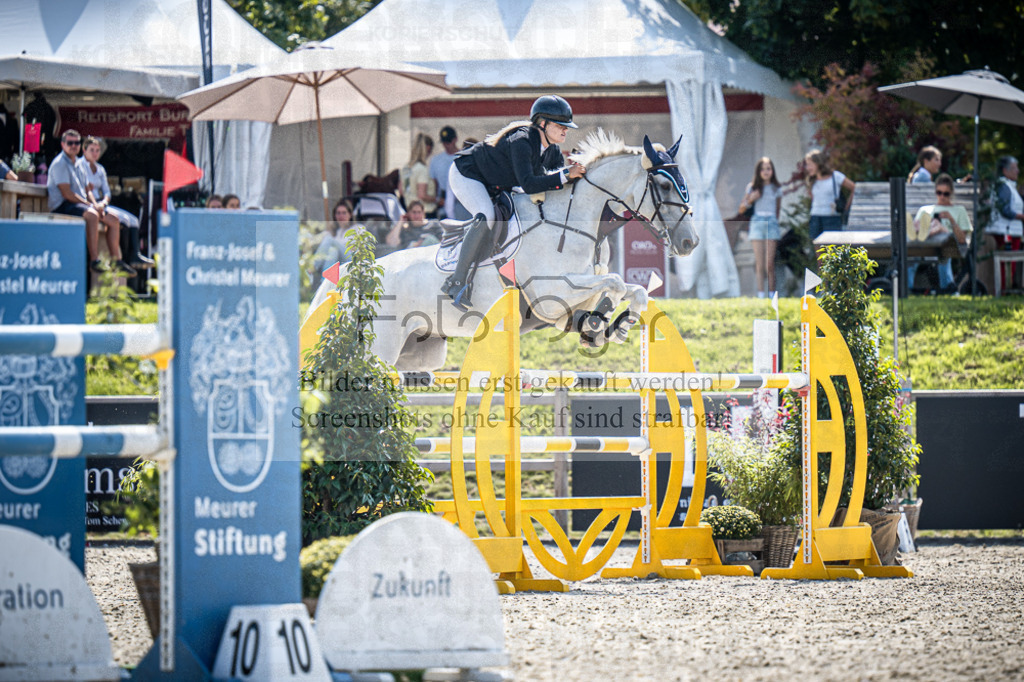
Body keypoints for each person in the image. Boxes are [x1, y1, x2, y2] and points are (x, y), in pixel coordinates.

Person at [441, 95, 586, 309]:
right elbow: (529, 184)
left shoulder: (553, 150)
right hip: (468, 174)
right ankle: (456, 281)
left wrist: (571, 174)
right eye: (560, 125)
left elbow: (551, 185)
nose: (566, 130)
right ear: (543, 124)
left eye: (566, 126)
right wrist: (566, 174)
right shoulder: (522, 140)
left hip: (497, 183)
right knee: (486, 215)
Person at [47, 129, 134, 275]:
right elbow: (67, 194)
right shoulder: (60, 163)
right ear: (62, 144)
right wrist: (91, 206)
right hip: (62, 206)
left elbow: (87, 190)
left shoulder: (79, 164)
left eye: (76, 142)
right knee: (93, 215)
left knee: (113, 219)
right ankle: (94, 260)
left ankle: (116, 261)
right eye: (70, 143)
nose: (73, 146)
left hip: (80, 205)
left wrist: (96, 204)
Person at [78, 137, 153, 269]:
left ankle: (135, 255)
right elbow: (86, 190)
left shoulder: (100, 168)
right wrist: (96, 205)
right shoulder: (80, 166)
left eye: (97, 150)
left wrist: (103, 203)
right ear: (84, 150)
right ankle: (117, 258)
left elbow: (107, 192)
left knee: (133, 220)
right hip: (87, 204)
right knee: (116, 220)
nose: (95, 153)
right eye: (92, 150)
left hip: (101, 204)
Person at [911, 174, 972, 294]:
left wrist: (951, 220)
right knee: (911, 255)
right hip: (925, 244)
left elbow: (962, 240)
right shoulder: (925, 210)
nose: (942, 197)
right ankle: (907, 289)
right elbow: (914, 231)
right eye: (939, 193)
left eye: (946, 194)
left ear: (951, 193)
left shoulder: (959, 210)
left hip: (948, 244)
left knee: (944, 251)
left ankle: (946, 288)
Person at [739, 157, 782, 299]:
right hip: (757, 223)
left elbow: (777, 210)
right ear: (758, 171)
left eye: (768, 168)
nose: (765, 171)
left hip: (771, 223)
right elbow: (741, 209)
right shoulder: (752, 187)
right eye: (762, 169)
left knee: (769, 263)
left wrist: (774, 222)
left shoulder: (777, 188)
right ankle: (760, 294)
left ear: (772, 171)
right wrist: (751, 199)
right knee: (759, 263)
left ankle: (771, 294)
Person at [905, 146, 943, 287]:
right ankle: (945, 286)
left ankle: (910, 287)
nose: (939, 163)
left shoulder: (920, 176)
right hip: (920, 225)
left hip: (918, 224)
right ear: (926, 161)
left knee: (916, 258)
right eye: (936, 160)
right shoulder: (923, 178)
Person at [986, 156, 1024, 292]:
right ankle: (1004, 290)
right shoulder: (1004, 186)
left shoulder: (1007, 186)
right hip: (1006, 230)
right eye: (1015, 168)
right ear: (1005, 170)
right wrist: (1021, 217)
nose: (1018, 171)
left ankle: (1006, 288)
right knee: (1008, 262)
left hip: (1010, 230)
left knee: (1009, 262)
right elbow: (1005, 210)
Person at [805, 149, 855, 240]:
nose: (807, 168)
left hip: (832, 218)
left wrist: (846, 206)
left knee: (832, 251)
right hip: (815, 217)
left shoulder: (835, 176)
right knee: (819, 251)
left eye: (810, 164)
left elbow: (854, 188)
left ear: (818, 163)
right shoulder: (812, 180)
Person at [429, 125, 462, 219]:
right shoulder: (436, 160)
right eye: (444, 143)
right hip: (443, 201)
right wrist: (438, 200)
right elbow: (434, 184)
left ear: (455, 139)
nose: (446, 145)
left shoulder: (462, 157)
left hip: (461, 201)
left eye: (449, 142)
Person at [402, 133, 438, 217]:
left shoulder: (406, 168)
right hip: (425, 212)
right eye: (429, 151)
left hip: (410, 211)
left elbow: (402, 190)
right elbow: (422, 195)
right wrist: (436, 199)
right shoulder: (422, 169)